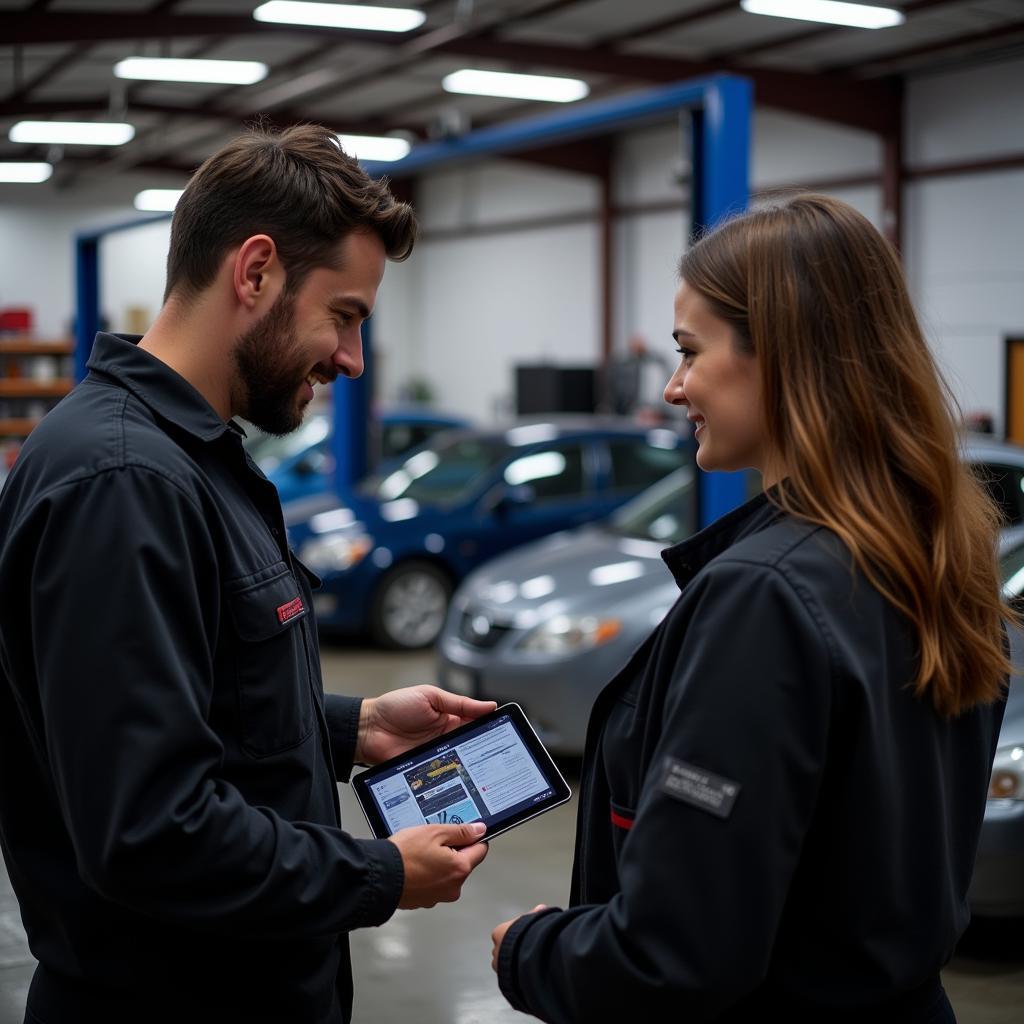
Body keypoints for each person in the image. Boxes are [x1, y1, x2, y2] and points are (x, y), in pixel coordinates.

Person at [0, 124, 495, 1024]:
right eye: (343, 315)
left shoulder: (190, 460)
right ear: (255, 271)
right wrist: (382, 873)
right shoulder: (124, 483)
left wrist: (352, 727)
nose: (350, 359)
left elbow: (198, 700)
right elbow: (150, 832)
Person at [489, 194, 1010, 1022]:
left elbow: (674, 959)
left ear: (788, 355)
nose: (672, 385)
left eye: (691, 352)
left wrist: (531, 949)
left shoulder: (768, 594)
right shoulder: (938, 558)